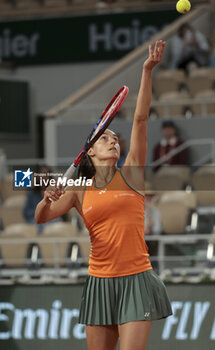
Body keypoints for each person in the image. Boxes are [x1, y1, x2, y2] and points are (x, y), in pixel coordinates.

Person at [35, 40, 172, 350]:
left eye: (115, 139)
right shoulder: (78, 190)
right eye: (105, 138)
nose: (113, 142)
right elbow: (41, 218)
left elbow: (140, 120)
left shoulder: (133, 173)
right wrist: (47, 198)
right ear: (90, 151)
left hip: (136, 280)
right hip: (99, 282)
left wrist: (147, 71)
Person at [23, 166, 62, 233]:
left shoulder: (55, 191)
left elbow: (60, 209)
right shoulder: (31, 193)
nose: (44, 177)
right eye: (42, 174)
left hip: (51, 218)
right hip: (36, 219)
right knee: (37, 225)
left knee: (57, 222)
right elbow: (26, 212)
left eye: (46, 174)